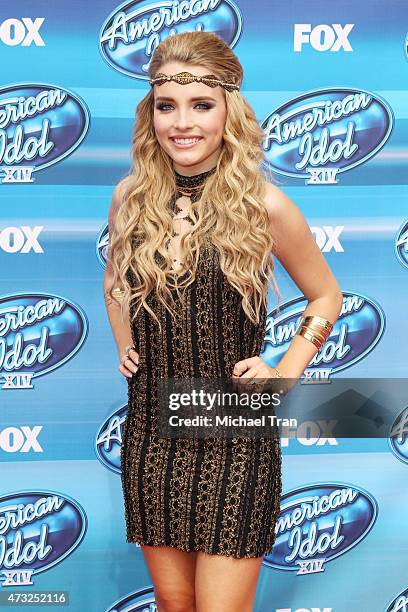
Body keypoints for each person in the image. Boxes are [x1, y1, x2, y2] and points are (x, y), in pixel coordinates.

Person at [104, 30, 343, 612]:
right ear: (151, 113)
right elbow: (115, 278)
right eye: (167, 106)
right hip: (152, 432)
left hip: (236, 433)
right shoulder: (130, 197)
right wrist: (124, 340)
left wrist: (284, 374)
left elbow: (326, 296)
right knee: (173, 605)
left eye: (201, 105)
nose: (182, 123)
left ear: (228, 110)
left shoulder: (265, 205)